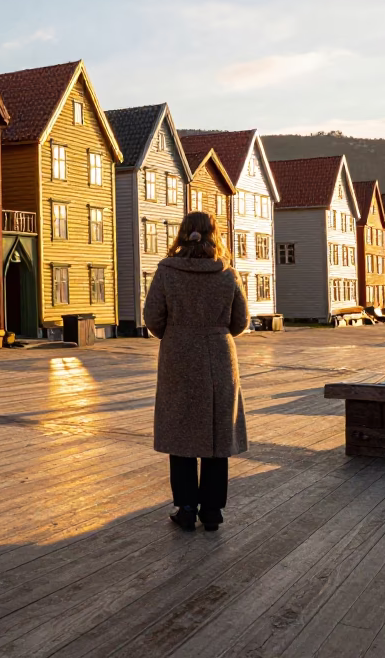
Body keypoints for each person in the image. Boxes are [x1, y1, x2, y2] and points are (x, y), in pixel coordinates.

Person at [144, 211, 250, 532]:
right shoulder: (227, 273)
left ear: (182, 233)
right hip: (219, 357)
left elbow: (152, 318)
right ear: (213, 234)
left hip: (178, 355)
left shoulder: (167, 271)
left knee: (181, 431)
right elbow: (241, 322)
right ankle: (213, 511)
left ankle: (187, 507)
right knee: (218, 434)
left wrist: (178, 333)